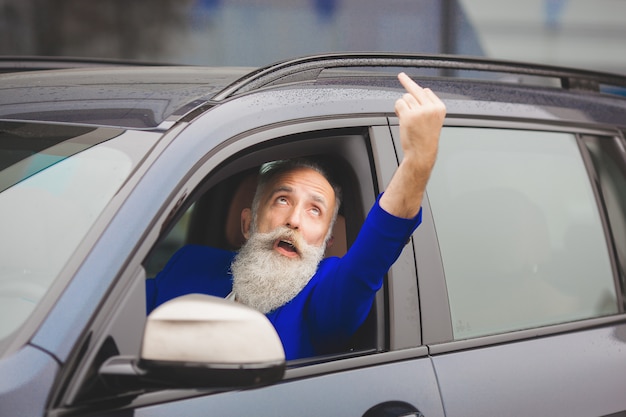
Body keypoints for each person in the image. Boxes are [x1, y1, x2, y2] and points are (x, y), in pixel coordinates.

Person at [145, 73, 446, 360]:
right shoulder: (189, 266)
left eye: (314, 210)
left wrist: (417, 163)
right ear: (248, 223)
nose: (294, 220)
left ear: (326, 242)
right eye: (282, 200)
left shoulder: (323, 300)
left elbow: (373, 254)